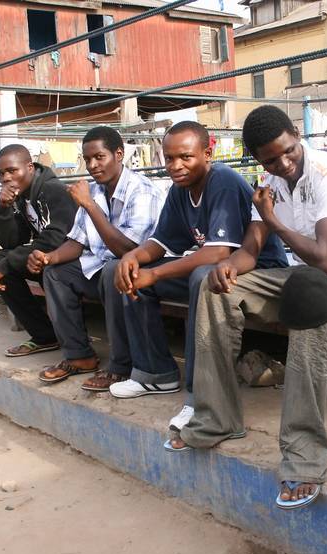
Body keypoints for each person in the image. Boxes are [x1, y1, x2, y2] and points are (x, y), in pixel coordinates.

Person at [172, 106, 327, 511]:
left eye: (288, 152)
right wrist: (227, 267)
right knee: (212, 288)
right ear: (258, 159)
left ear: (296, 133)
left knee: (310, 300)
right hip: (301, 278)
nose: (283, 164)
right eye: (270, 160)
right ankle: (216, 417)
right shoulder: (270, 181)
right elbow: (251, 251)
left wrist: (274, 220)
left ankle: (305, 456)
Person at [109, 121, 287, 435]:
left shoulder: (223, 181)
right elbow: (163, 241)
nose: (176, 166)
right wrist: (133, 258)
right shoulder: (180, 190)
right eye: (169, 158)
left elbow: (219, 253)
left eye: (186, 157)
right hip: (220, 266)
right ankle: (155, 372)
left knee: (202, 277)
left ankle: (198, 394)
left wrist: (155, 273)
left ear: (207, 153)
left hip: (258, 268)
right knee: (126, 271)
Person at [25, 127, 165, 385]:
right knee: (56, 273)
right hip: (104, 269)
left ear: (119, 154)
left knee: (115, 268)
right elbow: (77, 242)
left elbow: (128, 251)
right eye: (87, 159)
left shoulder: (141, 191)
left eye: (99, 157)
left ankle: (122, 364)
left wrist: (89, 205)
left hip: (141, 270)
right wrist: (49, 257)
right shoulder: (95, 190)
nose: (92, 165)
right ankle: (79, 356)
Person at [0, 144, 77, 357]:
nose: (6, 178)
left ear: (29, 167)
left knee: (8, 264)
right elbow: (10, 242)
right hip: (44, 255)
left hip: (70, 256)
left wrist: (9, 263)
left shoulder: (54, 190)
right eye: (1, 173)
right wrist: (3, 209)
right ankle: (44, 335)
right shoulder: (21, 196)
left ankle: (71, 340)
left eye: (12, 170)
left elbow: (58, 237)